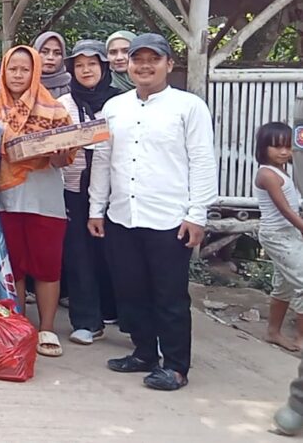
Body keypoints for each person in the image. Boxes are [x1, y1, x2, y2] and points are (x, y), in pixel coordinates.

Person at [89, 33, 216, 392]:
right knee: (130, 290)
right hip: (122, 215)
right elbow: (102, 160)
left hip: (170, 219)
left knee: (170, 295)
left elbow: (203, 162)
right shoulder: (114, 107)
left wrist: (197, 214)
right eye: (137, 59)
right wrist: (97, 209)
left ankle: (175, 366)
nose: (144, 66)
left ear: (168, 65)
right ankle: (144, 352)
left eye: (153, 59)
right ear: (127, 64)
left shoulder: (189, 107)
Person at [0, 46, 74, 359]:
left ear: (35, 73)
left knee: (47, 266)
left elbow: (65, 158)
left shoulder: (55, 110)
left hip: (44, 198)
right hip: (5, 198)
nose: (18, 75)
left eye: (25, 70)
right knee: (13, 265)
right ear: (3, 71)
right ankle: (18, 326)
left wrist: (57, 152)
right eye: (12, 69)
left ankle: (47, 328)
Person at [56, 41, 120, 346]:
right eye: (79, 65)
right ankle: (86, 321)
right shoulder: (64, 105)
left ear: (104, 67)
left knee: (118, 255)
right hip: (73, 188)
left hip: (116, 191)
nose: (86, 70)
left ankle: (120, 314)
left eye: (92, 64)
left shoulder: (121, 103)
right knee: (78, 255)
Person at [252, 122, 303, 351]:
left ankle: (273, 332)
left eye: (286, 146)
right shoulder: (266, 174)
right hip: (277, 236)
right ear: (263, 148)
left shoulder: (282, 171)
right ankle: (301, 338)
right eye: (276, 147)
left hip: (288, 234)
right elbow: (285, 210)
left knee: (285, 285)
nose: (283, 152)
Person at [34, 31, 72, 98]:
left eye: (57, 53)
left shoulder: (73, 86)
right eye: (44, 52)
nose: (50, 57)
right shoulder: (22, 82)